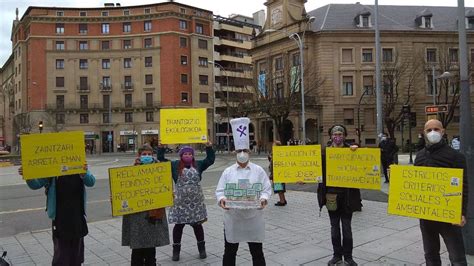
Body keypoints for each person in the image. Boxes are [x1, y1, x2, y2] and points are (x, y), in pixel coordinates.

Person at [216, 117, 272, 266]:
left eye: (245, 150)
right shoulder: (228, 171)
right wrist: (221, 200)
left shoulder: (258, 170)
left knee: (257, 252)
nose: (242, 153)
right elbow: (220, 190)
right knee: (229, 251)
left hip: (253, 217)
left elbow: (266, 188)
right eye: (239, 150)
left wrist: (264, 198)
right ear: (235, 152)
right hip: (233, 217)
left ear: (250, 152)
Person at [415, 119, 469, 266]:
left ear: (443, 131)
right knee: (430, 255)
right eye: (429, 130)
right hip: (426, 216)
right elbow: (414, 184)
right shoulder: (419, 156)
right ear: (424, 133)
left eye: (436, 129)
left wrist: (461, 212)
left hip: (449, 216)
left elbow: (463, 186)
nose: (433, 132)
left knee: (457, 257)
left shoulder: (456, 156)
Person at [19, 164, 95, 265]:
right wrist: (27, 175)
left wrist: (84, 174)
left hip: (77, 217)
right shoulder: (52, 168)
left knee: (76, 256)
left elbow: (91, 182)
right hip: (60, 219)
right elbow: (35, 185)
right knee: (61, 256)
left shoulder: (78, 163)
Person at [157, 142, 215, 261]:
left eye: (190, 154)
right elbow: (161, 160)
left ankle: (202, 249)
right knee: (178, 226)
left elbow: (210, 160)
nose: (187, 155)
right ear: (181, 155)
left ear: (193, 155)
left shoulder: (198, 164)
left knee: (197, 225)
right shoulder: (174, 165)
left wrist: (208, 147)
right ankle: (176, 251)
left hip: (196, 203)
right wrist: (161, 148)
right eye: (185, 154)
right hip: (180, 203)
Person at [317, 124, 361, 266]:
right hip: (331, 196)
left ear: (345, 136)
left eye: (340, 134)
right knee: (334, 228)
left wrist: (356, 151)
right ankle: (336, 255)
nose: (337, 137)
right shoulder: (324, 152)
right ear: (331, 136)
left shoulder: (351, 151)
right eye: (335, 134)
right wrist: (304, 179)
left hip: (348, 196)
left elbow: (363, 165)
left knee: (347, 228)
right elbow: (317, 171)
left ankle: (348, 256)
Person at [122, 145, 170, 266]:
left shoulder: (160, 169)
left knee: (150, 250)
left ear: (153, 155)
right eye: (144, 154)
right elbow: (123, 189)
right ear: (139, 156)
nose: (147, 157)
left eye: (149, 154)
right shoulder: (130, 171)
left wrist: (169, 193)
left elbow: (165, 187)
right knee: (137, 251)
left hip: (152, 215)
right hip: (136, 216)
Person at [268, 141, 287, 206]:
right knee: (279, 187)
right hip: (276, 173)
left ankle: (282, 201)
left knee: (279, 188)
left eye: (274, 145)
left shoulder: (279, 154)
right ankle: (283, 199)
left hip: (278, 173)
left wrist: (272, 174)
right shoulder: (273, 153)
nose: (272, 146)